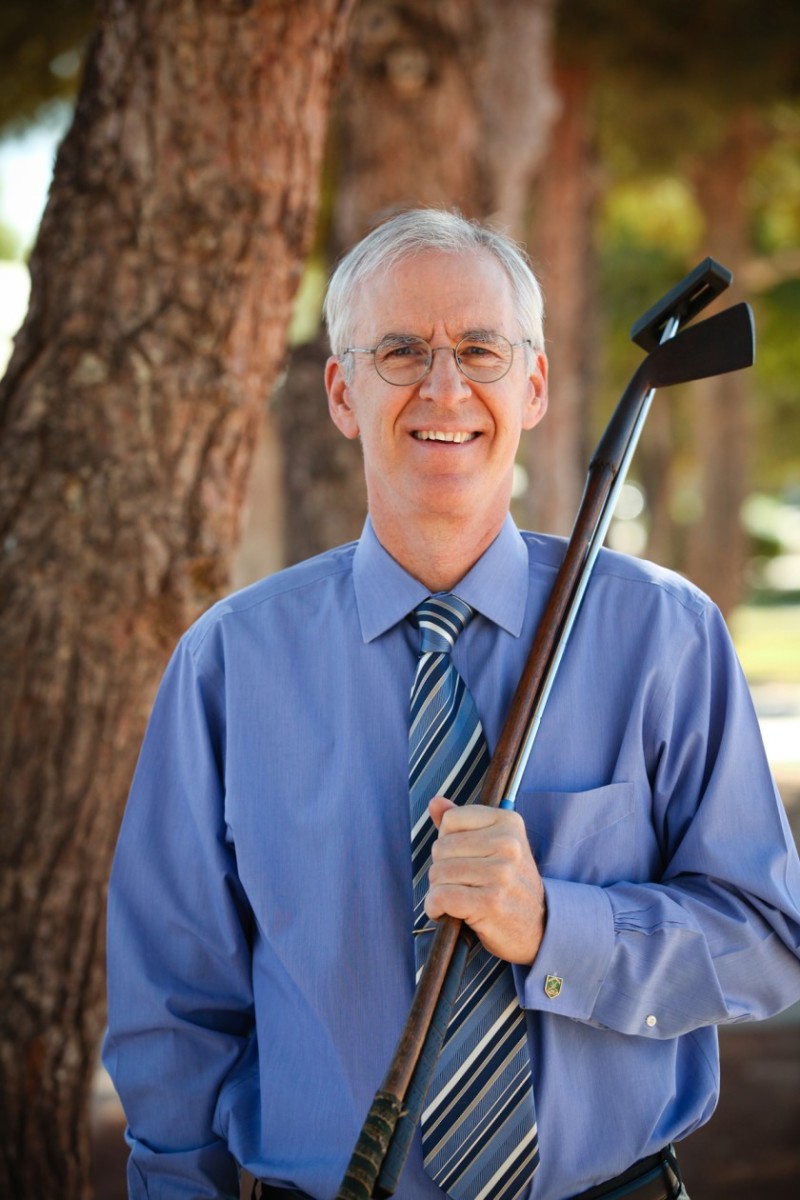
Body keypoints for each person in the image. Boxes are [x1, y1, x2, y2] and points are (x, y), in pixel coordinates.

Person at [104, 209, 800, 1200]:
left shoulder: (662, 638)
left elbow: (768, 942)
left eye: (479, 349)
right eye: (399, 351)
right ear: (342, 393)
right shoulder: (229, 665)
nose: (443, 387)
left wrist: (557, 926)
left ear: (534, 386)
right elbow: (173, 1014)